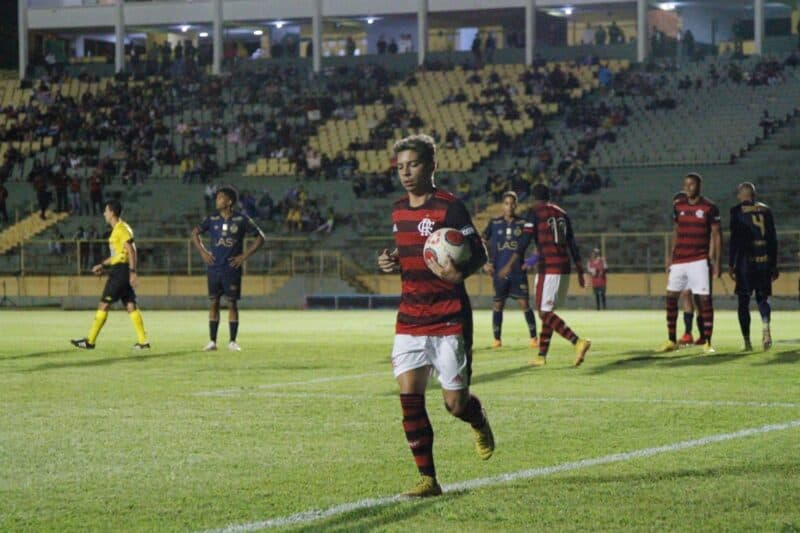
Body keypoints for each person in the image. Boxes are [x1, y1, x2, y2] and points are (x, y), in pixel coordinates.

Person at [377, 134, 493, 498]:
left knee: (454, 405)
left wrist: (462, 271)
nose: (406, 173)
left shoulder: (450, 208)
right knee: (410, 397)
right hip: (410, 317)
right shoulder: (398, 210)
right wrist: (389, 261)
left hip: (449, 317)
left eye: (413, 165)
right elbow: (410, 254)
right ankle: (428, 478)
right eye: (400, 167)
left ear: (431, 166)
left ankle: (477, 418)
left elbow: (479, 253)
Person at [502, 184, 590, 367]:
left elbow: (524, 241)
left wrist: (509, 265)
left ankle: (577, 341)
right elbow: (573, 244)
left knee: (543, 312)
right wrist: (581, 271)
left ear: (534, 198)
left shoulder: (535, 212)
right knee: (547, 311)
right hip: (565, 267)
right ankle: (542, 355)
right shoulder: (562, 213)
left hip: (548, 268)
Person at [192, 185, 265, 352]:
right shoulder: (212, 219)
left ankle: (232, 341)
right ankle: (212, 341)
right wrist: (203, 252)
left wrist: (243, 256)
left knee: (232, 303)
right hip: (214, 267)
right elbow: (194, 233)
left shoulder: (241, 219)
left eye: (220, 197)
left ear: (229, 201)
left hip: (231, 268)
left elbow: (261, 237)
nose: (217, 200)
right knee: (213, 302)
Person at [70, 200, 149, 350]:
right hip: (121, 269)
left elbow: (131, 251)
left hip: (121, 272)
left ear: (112, 213)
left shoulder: (121, 229)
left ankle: (90, 341)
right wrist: (103, 265)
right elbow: (119, 254)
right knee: (130, 305)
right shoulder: (120, 229)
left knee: (103, 304)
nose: (104, 214)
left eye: (106, 211)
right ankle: (143, 341)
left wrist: (132, 272)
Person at [657, 173, 721, 354]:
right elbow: (675, 232)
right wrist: (671, 257)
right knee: (671, 297)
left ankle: (707, 341)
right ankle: (671, 340)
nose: (688, 187)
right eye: (685, 184)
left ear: (699, 186)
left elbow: (716, 235)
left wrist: (717, 261)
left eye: (691, 184)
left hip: (699, 259)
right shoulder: (679, 206)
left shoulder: (709, 207)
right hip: (680, 260)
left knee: (704, 300)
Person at [481, 191, 538, 348]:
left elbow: (538, 245)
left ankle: (534, 338)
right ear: (502, 205)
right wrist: (485, 263)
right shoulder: (494, 223)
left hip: (518, 273)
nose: (509, 206)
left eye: (512, 203)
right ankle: (497, 340)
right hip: (499, 272)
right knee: (498, 305)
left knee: (524, 304)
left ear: (516, 205)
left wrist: (531, 261)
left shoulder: (524, 224)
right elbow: (480, 242)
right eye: (506, 203)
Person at [728, 182, 779, 351]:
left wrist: (731, 263)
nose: (737, 197)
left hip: (746, 261)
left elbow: (735, 240)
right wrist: (774, 263)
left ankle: (747, 341)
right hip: (764, 260)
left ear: (744, 195)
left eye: (739, 194)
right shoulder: (766, 210)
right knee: (763, 298)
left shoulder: (736, 212)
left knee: (743, 301)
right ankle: (765, 327)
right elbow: (773, 238)